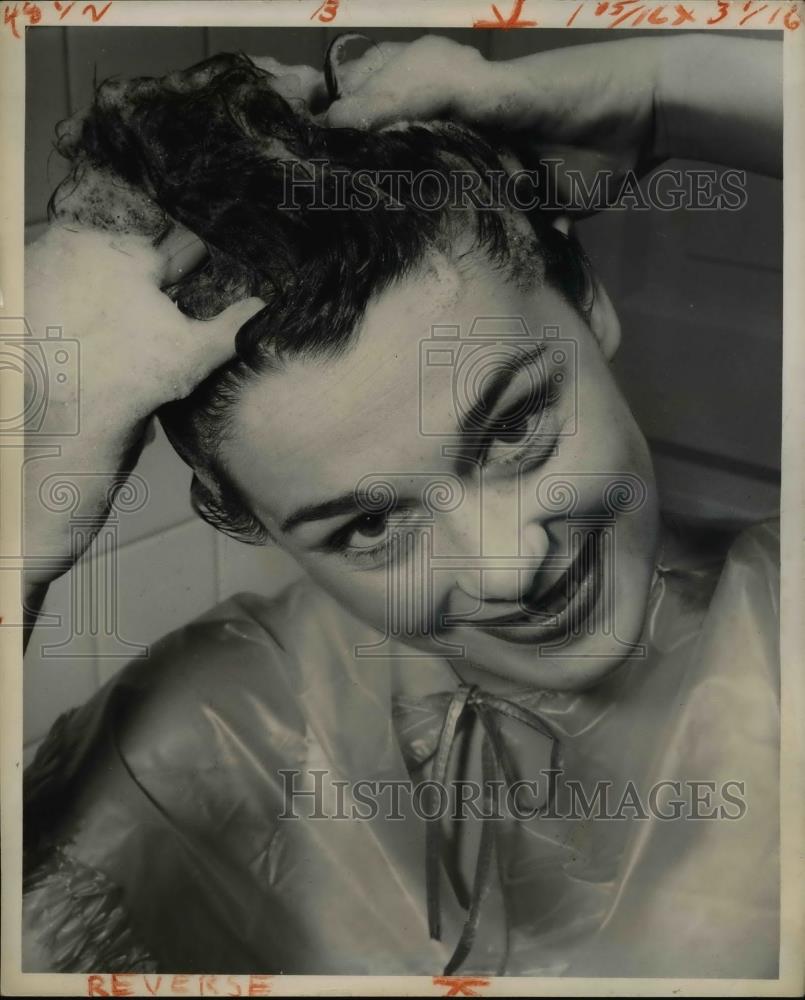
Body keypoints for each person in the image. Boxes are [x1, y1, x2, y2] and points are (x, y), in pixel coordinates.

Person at [21, 32, 781, 977]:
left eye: (512, 432)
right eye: (370, 525)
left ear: (587, 303)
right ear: (252, 521)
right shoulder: (222, 732)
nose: (506, 564)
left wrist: (656, 93)